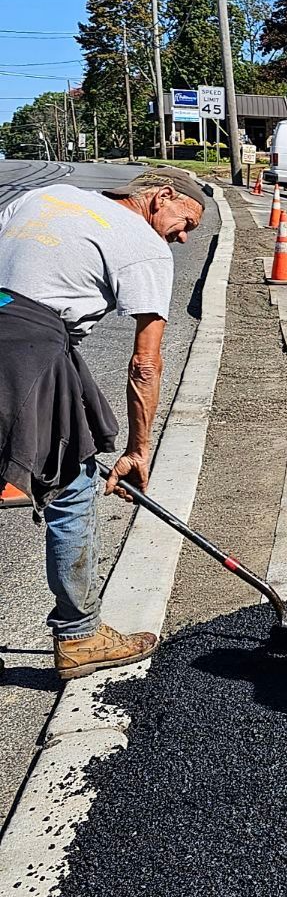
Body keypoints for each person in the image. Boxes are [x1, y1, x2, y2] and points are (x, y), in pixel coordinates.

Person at [0, 168, 208, 679]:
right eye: (186, 222)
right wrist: (139, 449)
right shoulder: (143, 246)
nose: (182, 237)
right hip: (26, 348)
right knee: (73, 485)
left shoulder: (44, 196)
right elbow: (145, 364)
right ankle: (80, 636)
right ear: (162, 197)